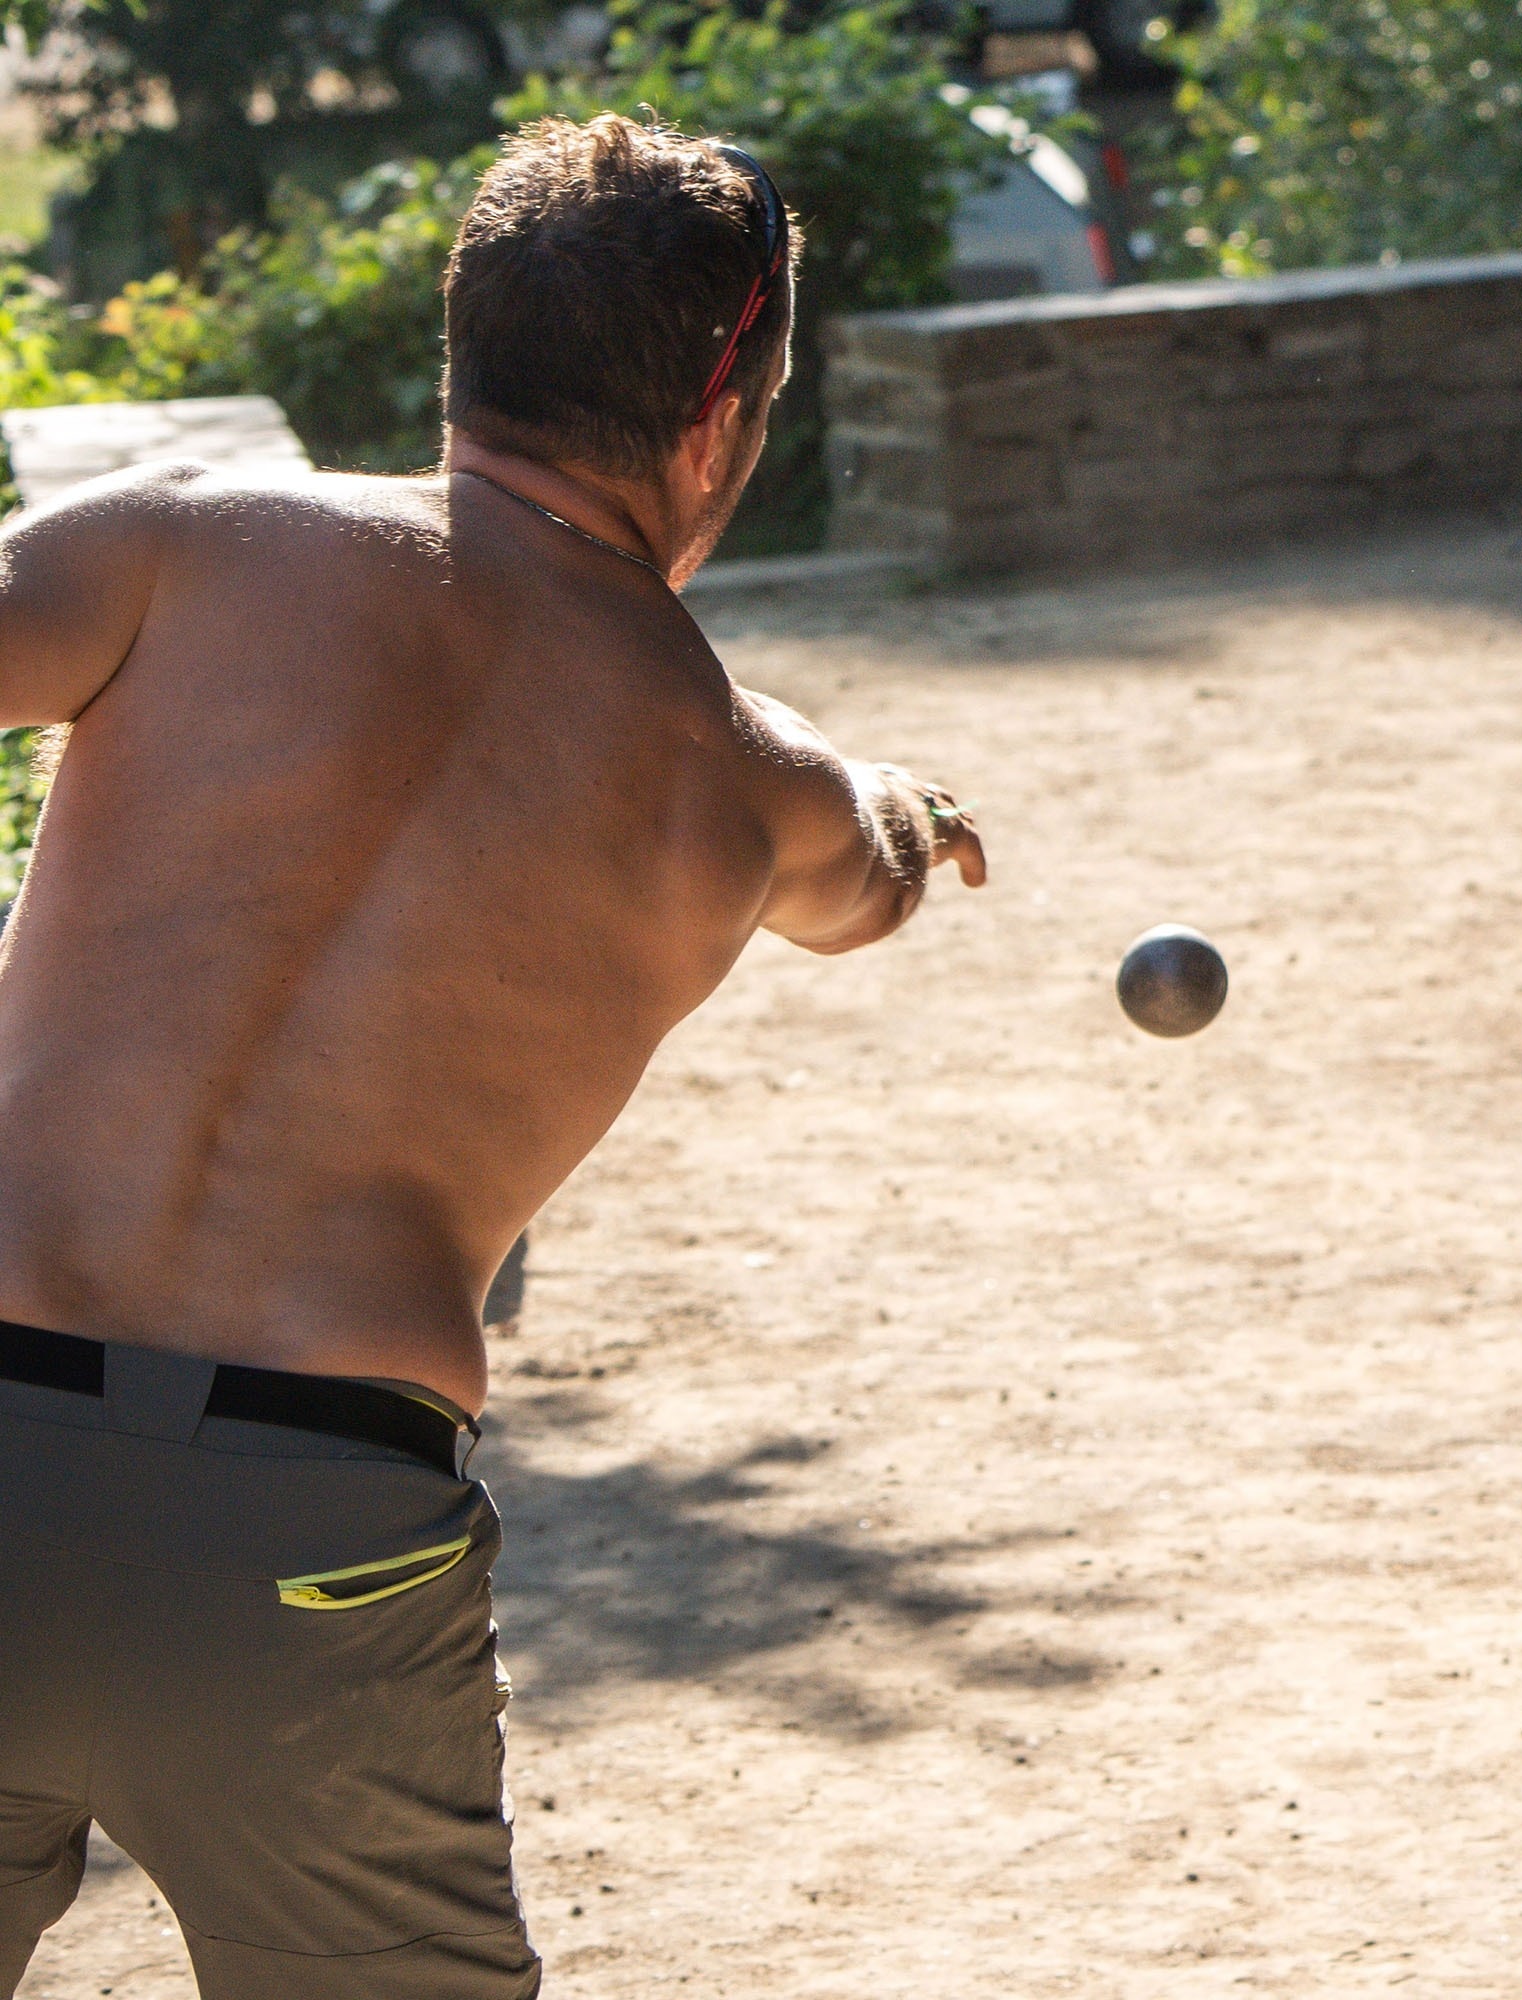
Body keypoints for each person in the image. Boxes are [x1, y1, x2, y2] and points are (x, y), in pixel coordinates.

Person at [0, 115, 985, 1998]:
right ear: (719, 429)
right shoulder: (742, 780)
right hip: (313, 1536)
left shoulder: (170, 549)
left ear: (465, 352)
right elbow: (865, 886)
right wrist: (899, 796)